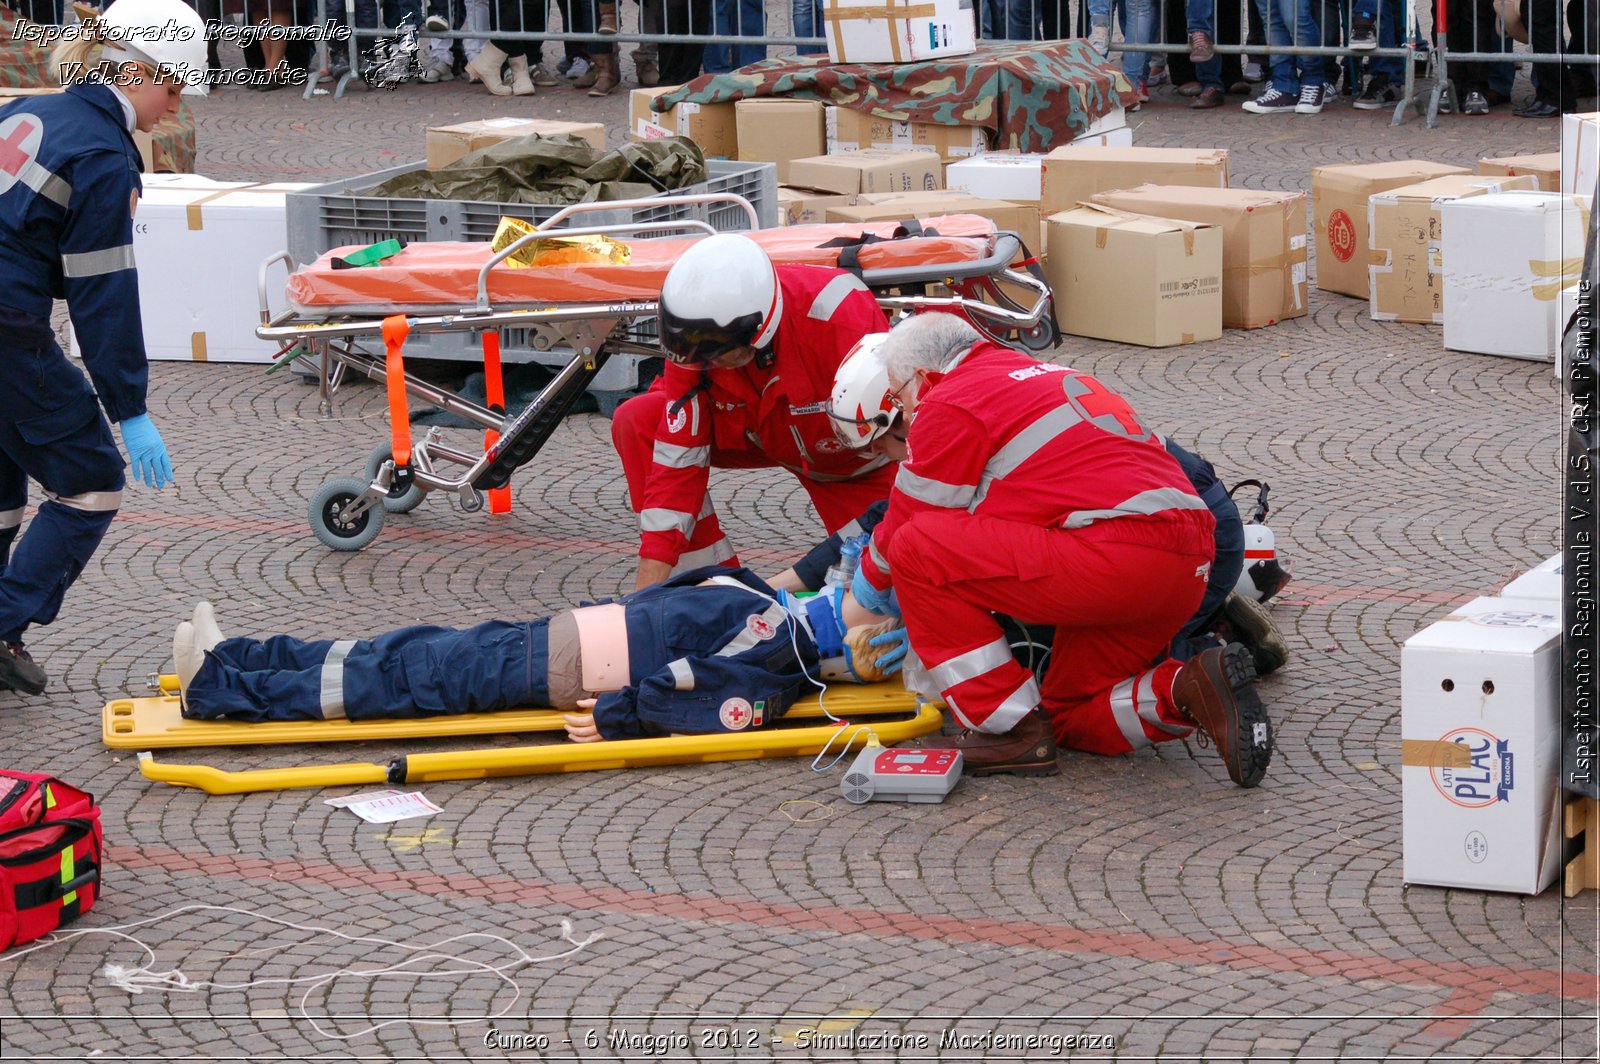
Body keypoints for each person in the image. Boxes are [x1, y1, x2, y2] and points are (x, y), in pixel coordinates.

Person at [842, 314, 1274, 787]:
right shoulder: (1050, 373)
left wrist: (866, 592)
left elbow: (911, 519)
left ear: (922, 378)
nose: (905, 412)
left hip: (1116, 558)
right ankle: (1190, 687)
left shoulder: (950, 399)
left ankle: (1008, 727)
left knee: (914, 547)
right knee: (1068, 712)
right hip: (1190, 558)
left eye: (900, 396)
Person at [796, 333, 1289, 673]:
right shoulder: (992, 394)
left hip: (1178, 543)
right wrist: (780, 583)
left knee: (1042, 654)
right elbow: (887, 520)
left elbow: (910, 532)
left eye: (883, 444)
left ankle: (1213, 644)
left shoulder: (955, 429)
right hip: (1192, 525)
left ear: (902, 410)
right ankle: (1208, 621)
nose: (886, 461)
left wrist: (906, 618)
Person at [0, 0, 200, 696]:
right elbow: (101, 295)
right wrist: (129, 407)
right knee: (89, 483)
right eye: (173, 89)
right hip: (5, 328)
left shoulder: (30, 111)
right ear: (138, 72)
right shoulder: (103, 155)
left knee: (2, 481)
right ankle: (0, 625)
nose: (172, 110)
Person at [172, 567, 905, 741]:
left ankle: (219, 689)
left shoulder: (780, 649)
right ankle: (241, 656)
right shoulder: (775, 614)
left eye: (864, 591)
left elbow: (704, 692)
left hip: (557, 665)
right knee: (402, 653)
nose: (851, 578)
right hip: (553, 642)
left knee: (401, 677)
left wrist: (617, 717)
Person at [609, 234, 897, 591]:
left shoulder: (841, 319)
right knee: (638, 421)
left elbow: (904, 427)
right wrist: (644, 593)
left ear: (758, 333)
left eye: (719, 356)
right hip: (756, 432)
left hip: (856, 462)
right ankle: (704, 589)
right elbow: (676, 466)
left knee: (886, 576)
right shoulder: (697, 342)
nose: (709, 365)